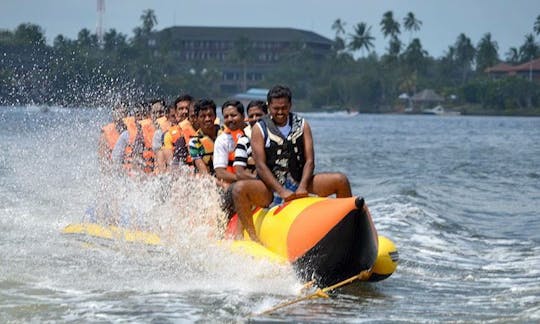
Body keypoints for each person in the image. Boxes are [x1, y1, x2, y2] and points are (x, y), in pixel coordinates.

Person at [232, 85, 352, 241]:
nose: (280, 112)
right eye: (276, 108)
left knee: (340, 180)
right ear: (269, 106)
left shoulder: (302, 125)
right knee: (239, 189)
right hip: (269, 188)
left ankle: (347, 232)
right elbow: (260, 166)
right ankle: (253, 238)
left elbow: (310, 160)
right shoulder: (259, 129)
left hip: (301, 181)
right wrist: (281, 191)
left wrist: (302, 186)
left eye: (284, 108)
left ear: (290, 105)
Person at [213, 100, 247, 185]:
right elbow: (220, 172)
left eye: (233, 115)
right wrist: (244, 180)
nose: (230, 119)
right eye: (226, 117)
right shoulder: (222, 140)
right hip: (234, 185)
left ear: (243, 116)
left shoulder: (254, 133)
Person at [188, 99, 222, 175]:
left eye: (210, 115)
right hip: (210, 179)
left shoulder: (225, 134)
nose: (207, 119)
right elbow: (204, 173)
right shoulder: (194, 142)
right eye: (203, 116)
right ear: (196, 118)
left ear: (215, 116)